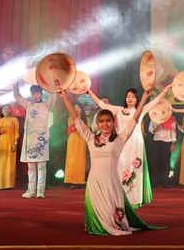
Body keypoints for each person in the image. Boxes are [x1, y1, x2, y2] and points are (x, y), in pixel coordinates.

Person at [59, 88, 163, 236]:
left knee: (113, 216)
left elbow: (134, 121)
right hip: (95, 182)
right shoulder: (90, 138)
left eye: (108, 121)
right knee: (99, 216)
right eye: (101, 121)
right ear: (98, 124)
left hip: (112, 182)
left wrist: (143, 101)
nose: (105, 124)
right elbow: (76, 119)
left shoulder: (119, 139)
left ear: (113, 123)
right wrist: (65, 97)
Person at [87, 88, 167, 208]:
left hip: (136, 143)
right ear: (125, 98)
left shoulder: (141, 110)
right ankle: (121, 197)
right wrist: (90, 93)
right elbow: (102, 105)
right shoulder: (119, 110)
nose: (130, 99)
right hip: (122, 142)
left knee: (135, 169)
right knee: (121, 167)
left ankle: (135, 198)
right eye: (128, 96)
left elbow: (156, 100)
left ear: (137, 99)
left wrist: (166, 90)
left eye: (133, 97)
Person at [12, 82, 58, 198]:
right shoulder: (28, 105)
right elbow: (17, 97)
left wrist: (52, 87)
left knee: (41, 167)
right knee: (31, 167)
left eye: (37, 93)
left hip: (41, 140)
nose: (35, 96)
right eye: (33, 94)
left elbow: (53, 98)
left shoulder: (46, 105)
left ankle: (40, 191)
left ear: (41, 94)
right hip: (30, 140)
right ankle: (31, 190)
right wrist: (16, 88)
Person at [0, 104, 19, 190]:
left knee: (9, 163)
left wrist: (15, 143)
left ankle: (8, 184)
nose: (6, 110)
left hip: (11, 142)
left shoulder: (14, 120)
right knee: (0, 163)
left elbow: (16, 132)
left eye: (8, 109)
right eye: (4, 109)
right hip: (1, 143)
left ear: (10, 110)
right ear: (2, 111)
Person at [148, 111, 176, 189]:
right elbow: (150, 128)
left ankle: (165, 182)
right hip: (156, 141)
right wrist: (155, 129)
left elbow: (174, 131)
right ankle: (154, 182)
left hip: (167, 141)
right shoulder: (154, 117)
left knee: (166, 162)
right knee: (154, 162)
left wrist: (173, 143)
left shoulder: (171, 118)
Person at [64, 103, 89, 188]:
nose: (76, 109)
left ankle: (79, 181)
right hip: (72, 139)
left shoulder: (86, 118)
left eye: (78, 108)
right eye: (74, 108)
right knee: (72, 160)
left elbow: (87, 130)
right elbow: (71, 128)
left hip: (81, 140)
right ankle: (71, 181)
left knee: (80, 160)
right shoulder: (70, 118)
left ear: (82, 109)